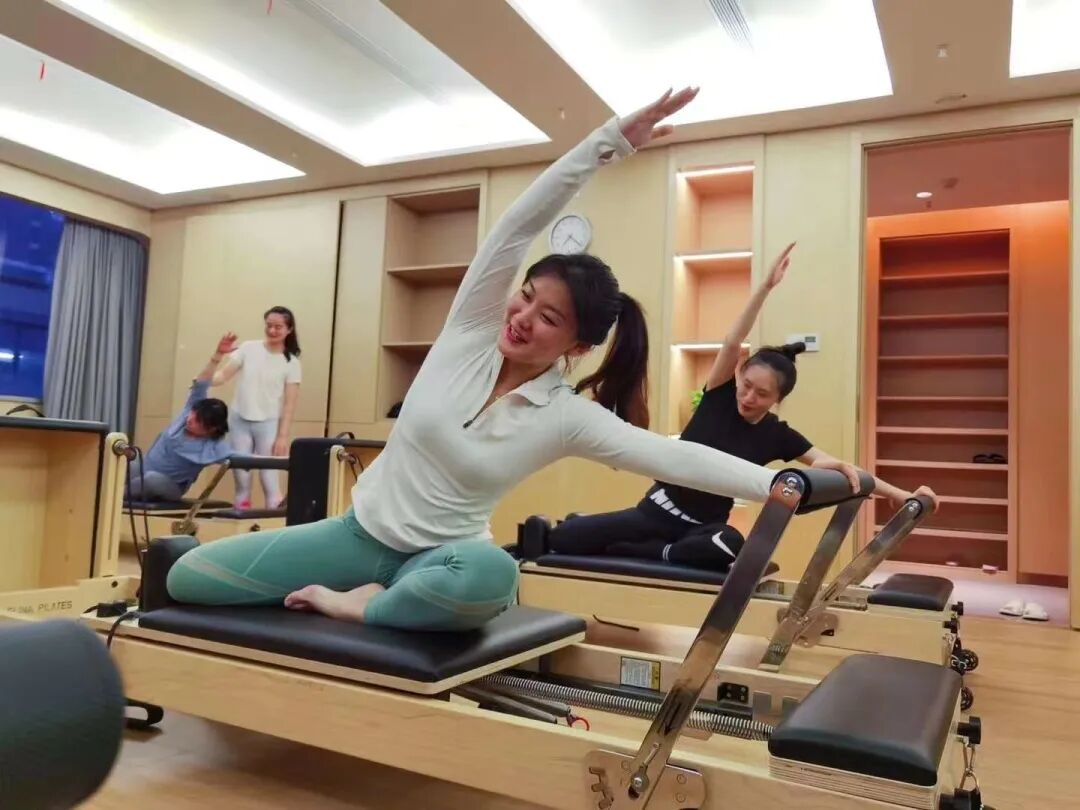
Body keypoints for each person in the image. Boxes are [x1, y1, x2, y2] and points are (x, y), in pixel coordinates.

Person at [165, 87, 857, 632]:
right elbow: (516, 225)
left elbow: (674, 456)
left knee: (492, 576)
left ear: (576, 347)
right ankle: (386, 592)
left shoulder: (565, 416)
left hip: (447, 557)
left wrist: (782, 484)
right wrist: (608, 143)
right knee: (188, 578)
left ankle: (366, 605)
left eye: (548, 317)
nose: (522, 318)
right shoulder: (470, 330)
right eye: (526, 298)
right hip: (357, 534)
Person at [548, 244, 938, 570]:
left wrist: (897, 494)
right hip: (655, 512)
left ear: (777, 401)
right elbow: (733, 340)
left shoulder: (776, 434)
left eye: (762, 394)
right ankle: (630, 542)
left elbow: (836, 467)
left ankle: (657, 552)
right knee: (563, 537)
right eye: (746, 385)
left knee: (728, 543)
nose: (748, 397)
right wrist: (765, 288)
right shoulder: (719, 393)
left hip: (703, 529)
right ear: (737, 375)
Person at [127, 334, 235, 502]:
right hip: (143, 470)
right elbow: (201, 384)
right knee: (123, 466)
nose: (190, 419)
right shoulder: (188, 412)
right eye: (193, 414)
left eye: (198, 421)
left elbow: (246, 458)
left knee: (151, 479)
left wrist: (280, 460)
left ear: (210, 429)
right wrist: (217, 356)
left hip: (169, 486)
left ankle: (111, 500)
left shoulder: (214, 448)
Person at [212, 306, 302, 509]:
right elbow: (223, 376)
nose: (272, 331)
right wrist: (204, 379)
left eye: (278, 327)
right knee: (242, 480)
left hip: (268, 423)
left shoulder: (291, 362)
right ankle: (241, 519)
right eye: (269, 325)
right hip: (239, 420)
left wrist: (282, 436)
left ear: (289, 329)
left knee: (269, 479)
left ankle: (274, 520)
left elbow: (289, 404)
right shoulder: (248, 348)